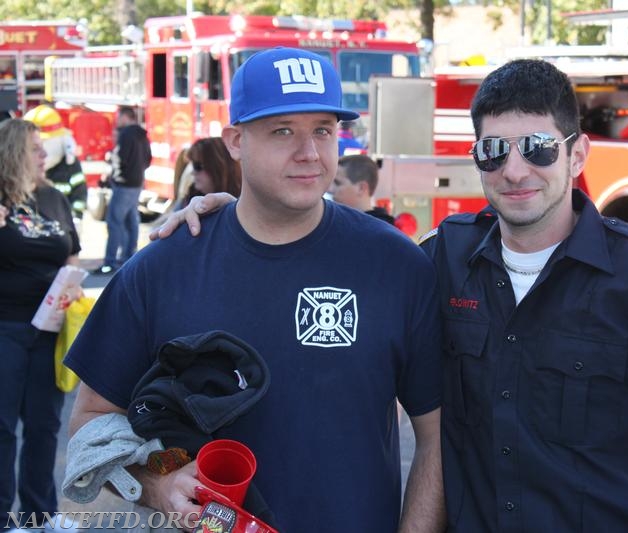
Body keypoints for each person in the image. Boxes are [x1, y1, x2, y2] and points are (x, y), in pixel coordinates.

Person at [154, 58, 628, 532]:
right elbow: (328, 244)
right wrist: (230, 212)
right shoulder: (442, 257)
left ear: (577, 155)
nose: (515, 169)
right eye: (494, 150)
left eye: (538, 148)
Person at [65, 48, 444, 533]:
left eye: (323, 130)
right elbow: (90, 418)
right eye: (283, 130)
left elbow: (436, 439)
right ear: (236, 141)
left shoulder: (396, 265)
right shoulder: (162, 267)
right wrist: (156, 483)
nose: (309, 152)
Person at [0, 119, 81, 530]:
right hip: (6, 326)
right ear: (14, 153)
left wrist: (71, 283)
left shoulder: (53, 197)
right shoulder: (2, 198)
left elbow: (71, 251)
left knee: (44, 425)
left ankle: (39, 516)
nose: (44, 156)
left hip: (51, 329)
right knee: (2, 427)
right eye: (35, 149)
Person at [93, 106, 151, 275]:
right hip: (137, 182)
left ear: (126, 117)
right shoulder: (142, 135)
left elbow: (120, 158)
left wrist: (114, 175)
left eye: (119, 116)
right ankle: (129, 258)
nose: (117, 120)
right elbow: (148, 159)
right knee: (131, 221)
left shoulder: (125, 134)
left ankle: (110, 262)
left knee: (114, 222)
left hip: (124, 184)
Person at [23, 105, 87, 219]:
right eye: (34, 148)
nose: (42, 154)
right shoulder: (19, 167)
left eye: (43, 145)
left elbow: (80, 192)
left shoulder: (70, 164)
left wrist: (76, 217)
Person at [330, 154, 394, 224]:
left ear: (361, 188)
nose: (330, 189)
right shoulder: (339, 223)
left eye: (337, 183)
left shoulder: (380, 232)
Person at [182, 137, 242, 205]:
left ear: (216, 168)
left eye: (197, 166)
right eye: (193, 165)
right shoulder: (189, 200)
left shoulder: (242, 206)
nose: (193, 173)